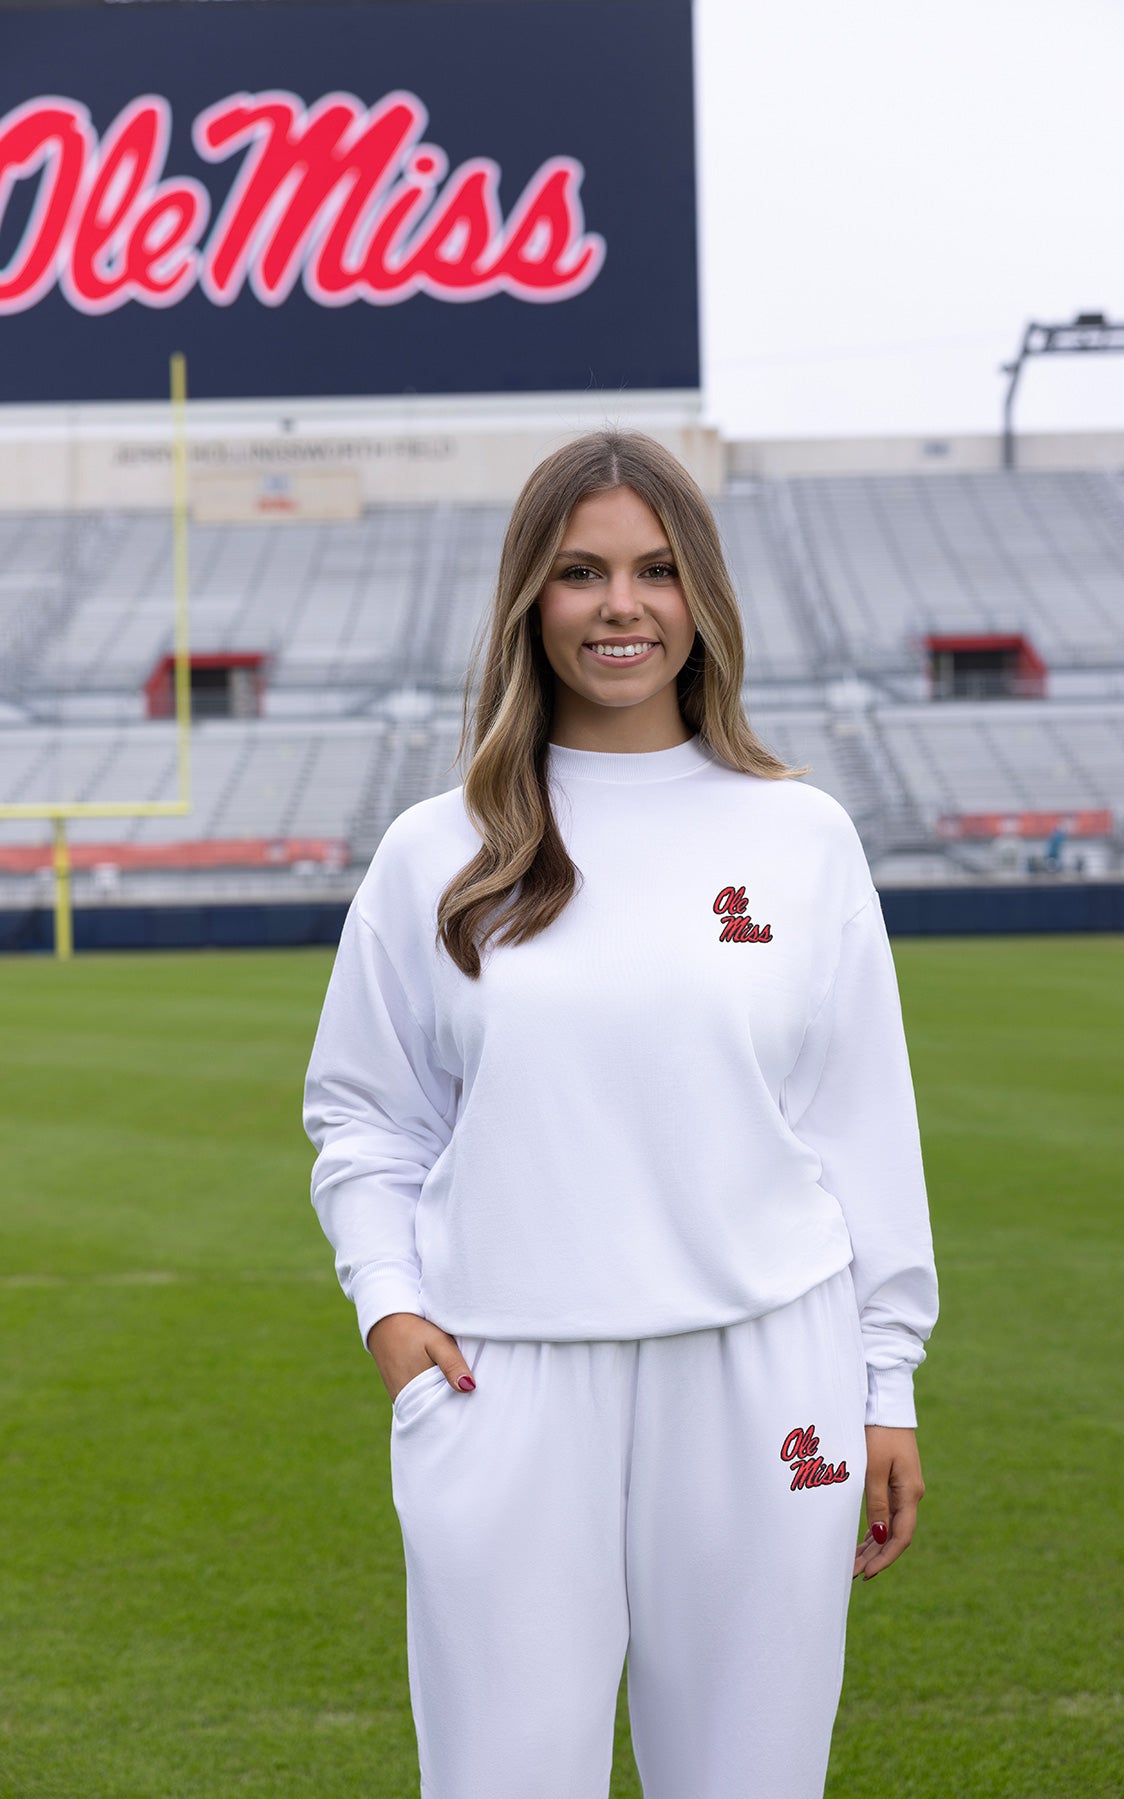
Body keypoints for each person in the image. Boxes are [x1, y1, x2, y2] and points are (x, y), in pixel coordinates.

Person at [302, 429, 939, 1799]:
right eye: (581, 571)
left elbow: (862, 1128)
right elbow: (365, 1115)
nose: (621, 606)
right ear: (529, 598)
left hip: (765, 1366)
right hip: (507, 1376)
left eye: (655, 570)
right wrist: (390, 1309)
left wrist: (884, 1383)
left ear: (701, 593)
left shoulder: (802, 837)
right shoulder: (436, 850)